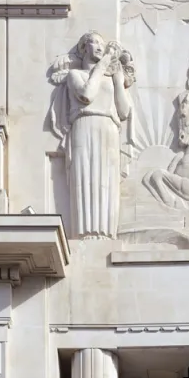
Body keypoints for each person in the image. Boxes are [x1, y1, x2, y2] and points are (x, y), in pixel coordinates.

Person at [50, 31, 134, 238]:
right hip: (85, 124)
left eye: (101, 44)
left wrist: (118, 79)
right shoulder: (75, 75)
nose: (98, 46)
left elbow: (124, 111)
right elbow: (87, 95)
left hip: (109, 128)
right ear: (83, 48)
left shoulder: (109, 78)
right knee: (85, 176)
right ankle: (83, 233)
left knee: (107, 180)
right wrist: (103, 65)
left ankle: (106, 233)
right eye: (93, 42)